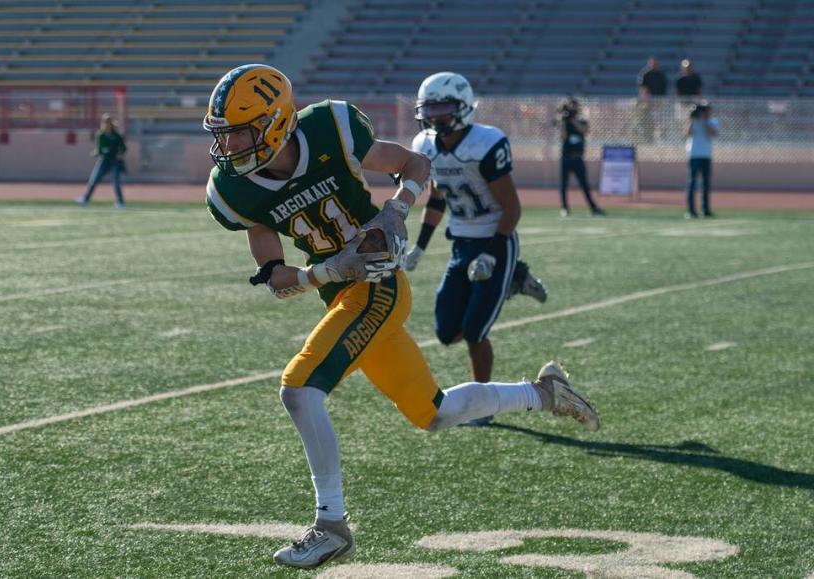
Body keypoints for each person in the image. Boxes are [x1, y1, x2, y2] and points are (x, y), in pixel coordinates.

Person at [202, 64, 600, 570]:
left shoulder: (330, 126)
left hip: (379, 287)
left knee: (298, 388)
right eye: (224, 134)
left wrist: (395, 210)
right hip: (342, 292)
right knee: (433, 413)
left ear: (277, 122)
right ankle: (544, 393)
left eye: (239, 131)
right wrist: (323, 272)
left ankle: (331, 525)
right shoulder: (233, 191)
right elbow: (277, 279)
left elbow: (413, 164)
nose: (230, 145)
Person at [401, 72, 549, 426]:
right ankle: (515, 282)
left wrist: (490, 253)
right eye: (429, 109)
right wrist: (420, 246)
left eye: (443, 107)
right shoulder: (425, 145)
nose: (435, 116)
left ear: (464, 107)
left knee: (475, 332)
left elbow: (511, 209)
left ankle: (485, 405)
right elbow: (437, 200)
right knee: (446, 332)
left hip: (496, 240)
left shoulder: (485, 142)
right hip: (461, 243)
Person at [556, 97, 603, 217]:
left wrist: (572, 120)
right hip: (566, 157)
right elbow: (562, 136)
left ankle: (593, 207)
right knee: (563, 184)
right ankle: (564, 208)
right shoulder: (565, 121)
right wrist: (563, 121)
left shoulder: (581, 120)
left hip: (578, 158)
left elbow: (584, 130)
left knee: (584, 184)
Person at [77, 113, 127, 209]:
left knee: (116, 182)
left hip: (114, 162)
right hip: (103, 161)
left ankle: (120, 202)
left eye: (107, 122)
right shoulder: (100, 135)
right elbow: (100, 149)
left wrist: (120, 154)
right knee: (93, 180)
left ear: (110, 124)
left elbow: (123, 148)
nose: (105, 124)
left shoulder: (116, 136)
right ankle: (85, 199)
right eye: (103, 122)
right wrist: (95, 153)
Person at [685, 102, 718, 218]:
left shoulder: (712, 122)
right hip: (693, 155)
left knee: (706, 184)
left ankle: (705, 209)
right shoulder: (693, 121)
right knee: (692, 183)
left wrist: (704, 121)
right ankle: (691, 210)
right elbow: (687, 133)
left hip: (706, 156)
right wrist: (691, 119)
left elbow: (712, 134)